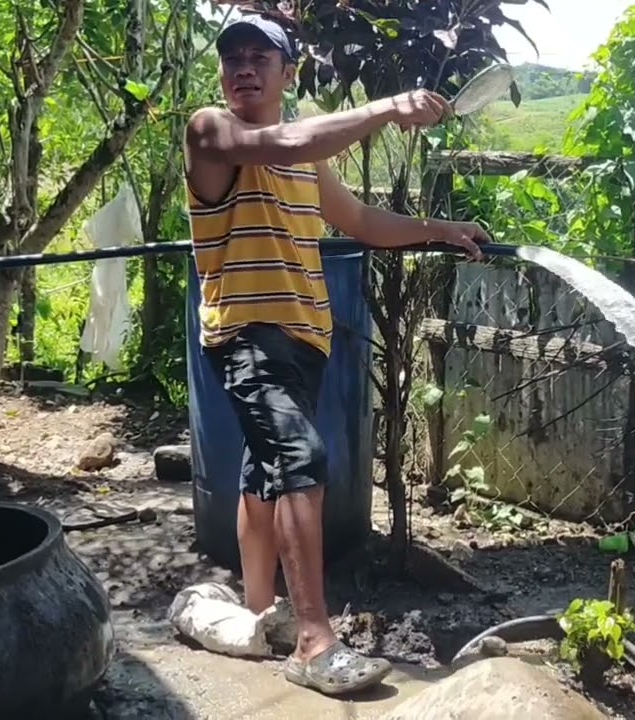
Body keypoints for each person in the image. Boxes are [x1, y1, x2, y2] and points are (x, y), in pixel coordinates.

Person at [183, 15, 488, 696]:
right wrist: (387, 107)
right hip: (246, 330)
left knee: (266, 473)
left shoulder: (304, 159)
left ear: (288, 74)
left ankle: (261, 617)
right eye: (233, 57)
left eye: (261, 57)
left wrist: (441, 231)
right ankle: (315, 643)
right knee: (299, 460)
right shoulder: (213, 131)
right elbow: (281, 138)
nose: (243, 68)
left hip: (305, 337)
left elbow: (361, 222)